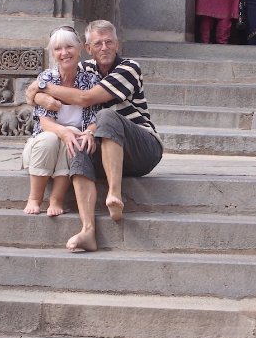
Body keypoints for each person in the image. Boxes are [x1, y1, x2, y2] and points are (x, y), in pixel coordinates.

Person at [29, 20, 162, 252]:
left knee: (106, 116)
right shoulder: (87, 70)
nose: (104, 48)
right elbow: (32, 91)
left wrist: (43, 88)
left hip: (142, 147)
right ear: (88, 49)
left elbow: (85, 99)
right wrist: (38, 94)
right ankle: (87, 231)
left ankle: (113, 194)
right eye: (98, 43)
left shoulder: (129, 68)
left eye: (109, 42)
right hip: (108, 149)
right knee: (81, 143)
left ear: (117, 44)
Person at [22, 26, 99, 216]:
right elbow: (44, 122)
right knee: (51, 138)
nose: (64, 53)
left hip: (73, 141)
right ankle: (35, 198)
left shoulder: (91, 80)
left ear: (79, 48)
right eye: (58, 49)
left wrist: (89, 131)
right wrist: (63, 132)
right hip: (44, 143)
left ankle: (56, 199)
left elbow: (97, 116)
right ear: (53, 53)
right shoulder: (47, 78)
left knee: (73, 139)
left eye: (69, 47)